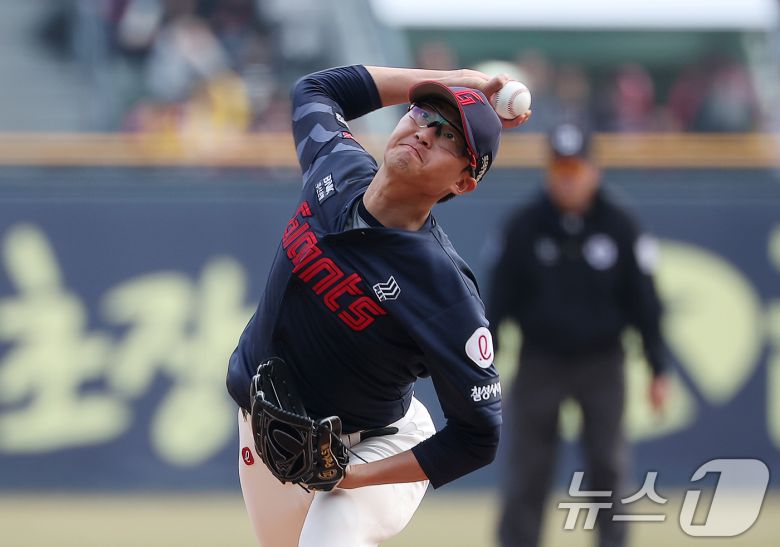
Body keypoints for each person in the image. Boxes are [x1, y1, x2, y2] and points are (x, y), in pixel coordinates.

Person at [226, 64, 530, 546]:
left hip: (374, 444)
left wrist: (347, 477)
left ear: (464, 182)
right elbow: (316, 88)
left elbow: (478, 436)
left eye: (450, 137)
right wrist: (458, 80)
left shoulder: (443, 289)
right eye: (424, 114)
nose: (426, 133)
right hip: (266, 429)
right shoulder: (337, 166)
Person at [489, 120, 669, 547]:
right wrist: (484, 364)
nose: (567, 180)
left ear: (594, 171)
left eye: (576, 170)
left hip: (602, 363)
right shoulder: (523, 226)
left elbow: (645, 303)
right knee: (528, 468)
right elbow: (496, 304)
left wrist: (657, 368)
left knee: (607, 465)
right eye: (560, 170)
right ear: (548, 170)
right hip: (540, 361)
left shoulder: (622, 225)